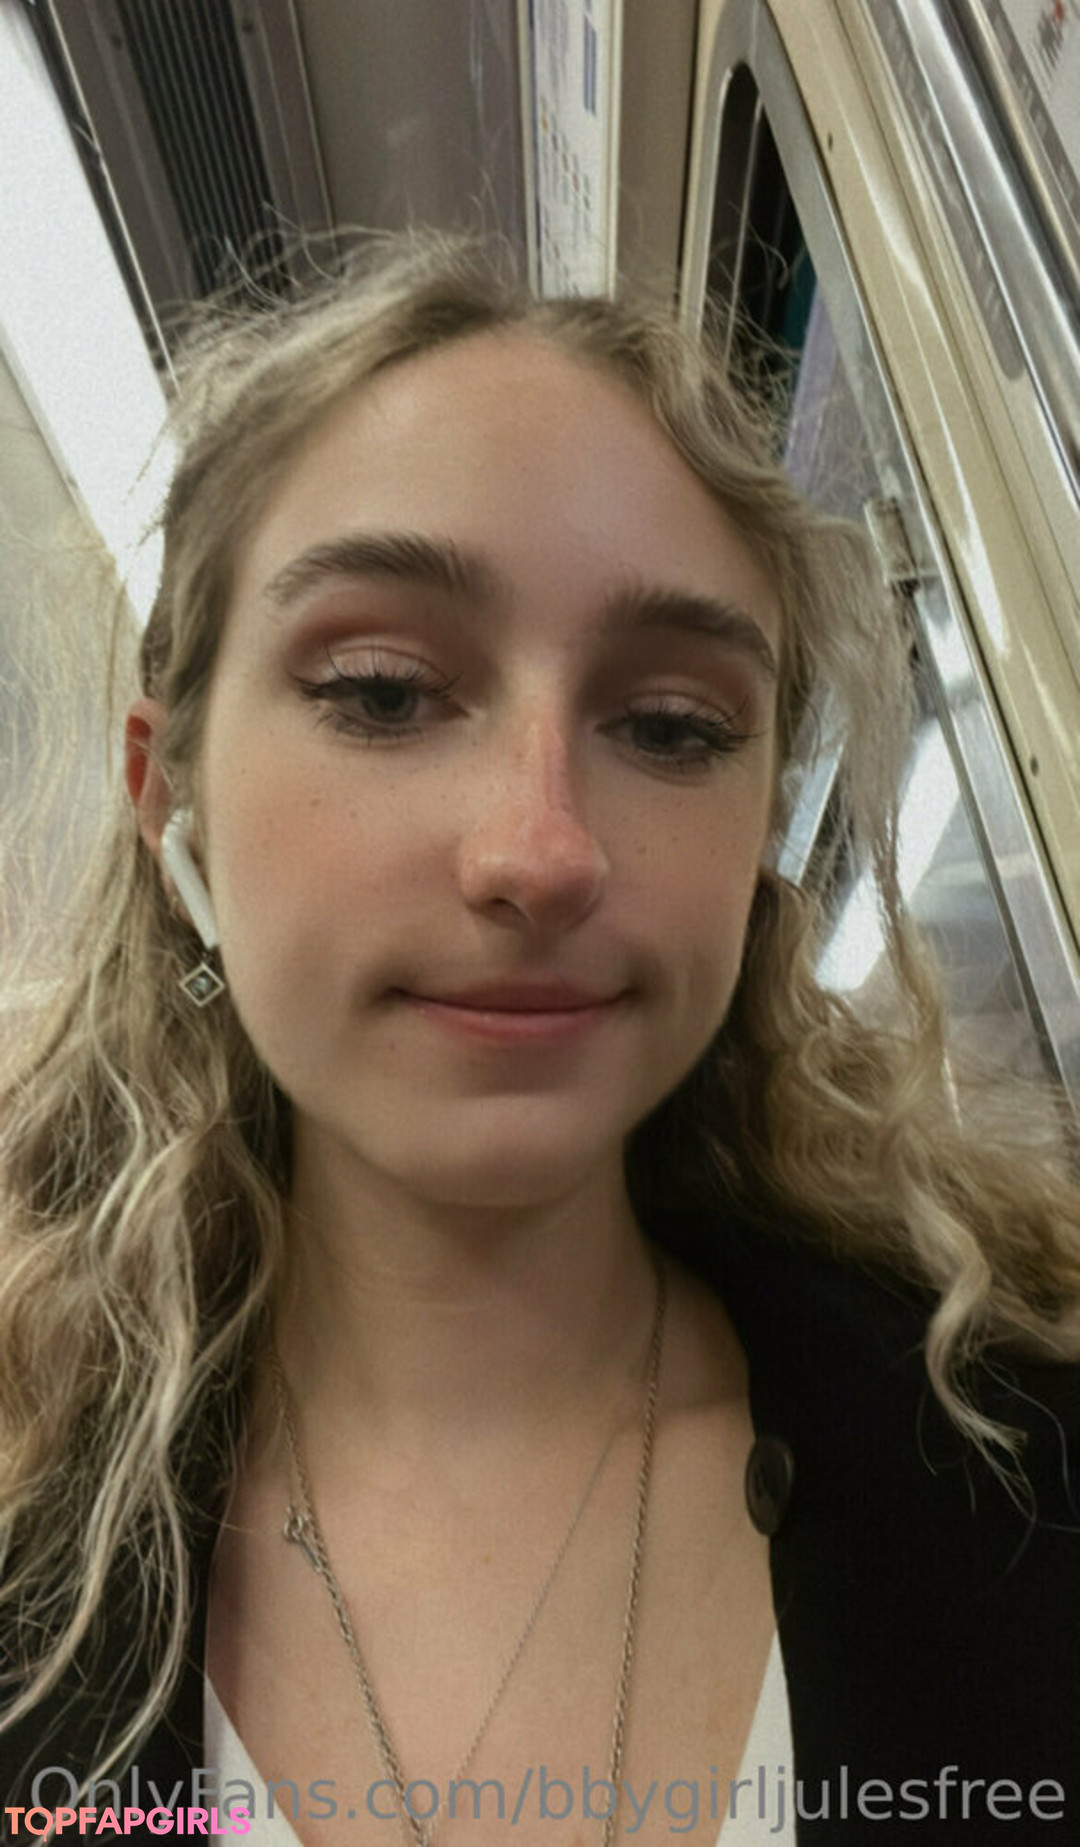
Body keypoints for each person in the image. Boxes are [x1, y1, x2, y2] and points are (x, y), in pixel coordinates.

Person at [1, 231, 1078, 1846]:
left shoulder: (1030, 1483)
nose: (542, 851)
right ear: (173, 801)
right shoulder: (28, 1533)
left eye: (671, 727)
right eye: (380, 692)